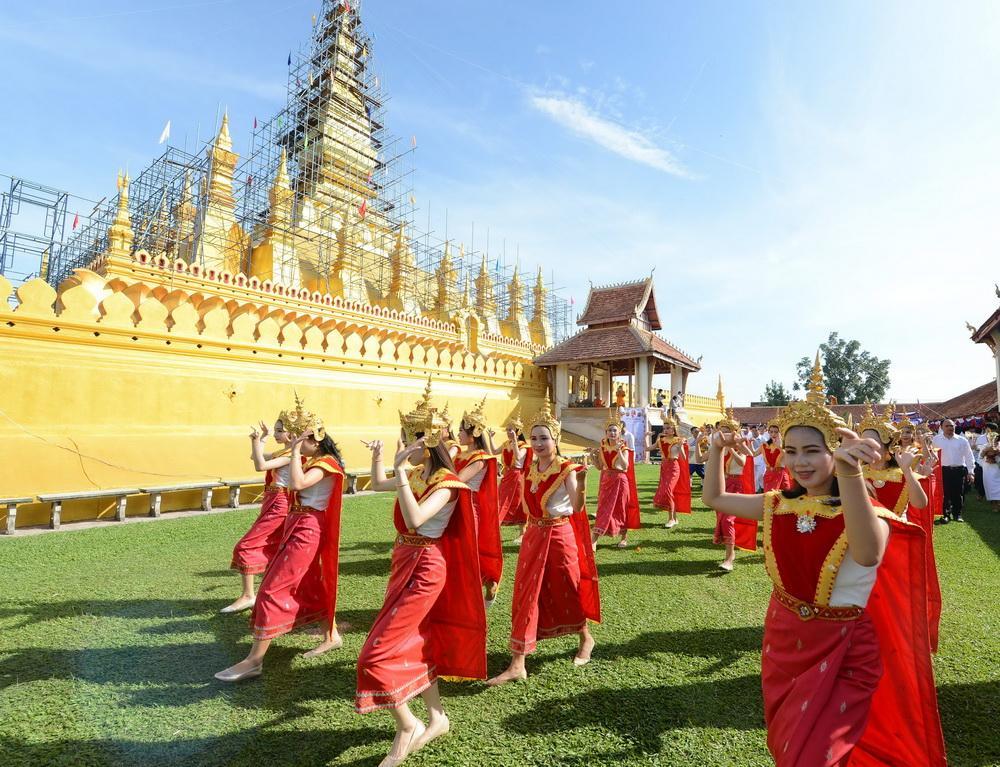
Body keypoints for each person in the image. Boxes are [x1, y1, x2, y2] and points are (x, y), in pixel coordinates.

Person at [701, 377, 946, 766]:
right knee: (789, 749)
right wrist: (715, 449)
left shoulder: (871, 515)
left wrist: (850, 475)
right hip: (783, 641)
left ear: (836, 452)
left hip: (845, 645)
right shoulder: (777, 504)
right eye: (792, 451)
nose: (800, 462)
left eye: (813, 451)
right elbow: (713, 498)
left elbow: (867, 555)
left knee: (815, 756)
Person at [356, 385, 486, 767]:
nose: (405, 443)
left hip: (426, 567)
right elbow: (379, 483)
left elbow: (415, 519)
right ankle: (436, 717)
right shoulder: (417, 473)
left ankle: (407, 725)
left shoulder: (447, 482)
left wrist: (398, 471)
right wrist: (382, 460)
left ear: (427, 441)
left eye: (411, 436)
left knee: (373, 655)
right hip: (405, 562)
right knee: (418, 641)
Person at [215, 397, 345, 682]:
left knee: (271, 591)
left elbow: (297, 484)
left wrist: (296, 450)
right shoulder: (312, 458)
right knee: (309, 584)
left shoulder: (326, 463)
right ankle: (331, 634)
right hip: (296, 523)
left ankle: (255, 660)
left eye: (301, 438)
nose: (294, 441)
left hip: (308, 528)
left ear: (314, 439)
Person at [487, 398, 600, 685]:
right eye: (534, 438)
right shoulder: (532, 466)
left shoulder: (566, 469)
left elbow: (575, 507)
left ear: (555, 439)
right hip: (534, 535)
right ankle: (518, 662)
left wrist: (584, 483)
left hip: (560, 536)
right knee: (527, 594)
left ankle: (586, 638)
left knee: (568, 588)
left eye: (544, 438)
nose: (538, 443)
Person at [222, 414, 295, 614]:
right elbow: (256, 457)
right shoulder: (285, 452)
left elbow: (260, 466)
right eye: (276, 430)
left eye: (280, 431)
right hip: (273, 500)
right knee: (271, 546)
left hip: (279, 502)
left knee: (247, 546)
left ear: (292, 433)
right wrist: (262, 438)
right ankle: (257, 594)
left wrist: (256, 441)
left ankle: (249, 595)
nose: (277, 434)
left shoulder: (291, 455)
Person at [453, 397, 503, 607]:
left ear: (472, 434)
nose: (458, 434)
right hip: (456, 505)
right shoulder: (463, 454)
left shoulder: (480, 458)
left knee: (468, 551)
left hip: (468, 506)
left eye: (461, 431)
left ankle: (484, 585)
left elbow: (458, 479)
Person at [696, 410, 755, 571]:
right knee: (722, 519)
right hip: (723, 485)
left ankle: (729, 557)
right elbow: (700, 459)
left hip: (737, 486)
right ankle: (729, 552)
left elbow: (745, 461)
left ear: (734, 433)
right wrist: (697, 444)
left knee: (728, 520)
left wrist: (732, 449)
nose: (723, 434)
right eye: (721, 430)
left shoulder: (739, 445)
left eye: (727, 431)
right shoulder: (718, 447)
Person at [591, 412, 639, 549]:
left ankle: (624, 537)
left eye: (614, 430)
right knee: (602, 509)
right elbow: (600, 467)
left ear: (619, 433)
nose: (612, 433)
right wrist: (592, 456)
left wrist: (618, 451)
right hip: (606, 480)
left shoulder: (624, 448)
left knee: (621, 509)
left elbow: (625, 466)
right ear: (605, 432)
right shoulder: (602, 447)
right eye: (609, 430)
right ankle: (594, 539)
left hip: (620, 480)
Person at [649, 416, 691, 529]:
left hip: (674, 467)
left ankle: (671, 519)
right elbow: (648, 449)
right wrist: (646, 437)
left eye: (668, 428)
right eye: (664, 428)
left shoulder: (678, 440)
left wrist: (681, 446)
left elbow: (683, 457)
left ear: (673, 429)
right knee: (668, 492)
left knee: (668, 491)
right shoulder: (661, 440)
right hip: (664, 467)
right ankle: (674, 518)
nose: (665, 430)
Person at [932, 419, 975, 523]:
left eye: (952, 426)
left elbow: (969, 456)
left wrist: (971, 472)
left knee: (958, 493)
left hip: (959, 470)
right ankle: (946, 515)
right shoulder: (935, 440)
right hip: (943, 470)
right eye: (947, 426)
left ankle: (958, 514)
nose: (950, 428)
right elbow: (931, 456)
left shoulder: (962, 440)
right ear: (941, 427)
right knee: (945, 493)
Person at [497, 411, 530, 544]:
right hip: (507, 475)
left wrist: (515, 442)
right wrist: (488, 436)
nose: (508, 432)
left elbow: (518, 459)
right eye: (507, 429)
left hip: (517, 476)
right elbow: (493, 451)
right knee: (502, 501)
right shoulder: (506, 443)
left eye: (510, 429)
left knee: (518, 502)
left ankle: (523, 532)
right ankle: (497, 530)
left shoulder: (523, 446)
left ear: (517, 431)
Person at [751, 422, 791, 492]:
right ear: (768, 432)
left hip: (781, 476)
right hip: (769, 474)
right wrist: (750, 443)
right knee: (769, 499)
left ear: (779, 433)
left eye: (776, 432)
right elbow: (753, 454)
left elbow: (787, 457)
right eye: (771, 432)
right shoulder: (764, 445)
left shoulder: (785, 445)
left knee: (783, 500)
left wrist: (778, 446)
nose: (773, 434)